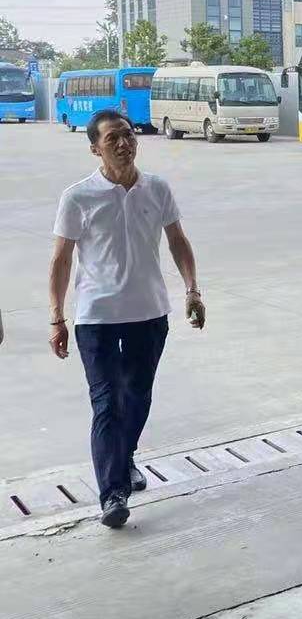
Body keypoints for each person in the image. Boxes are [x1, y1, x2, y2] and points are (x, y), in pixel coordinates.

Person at [47, 109, 205, 529]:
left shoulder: (157, 188)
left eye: (128, 134)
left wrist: (192, 290)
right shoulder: (78, 197)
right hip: (97, 317)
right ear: (95, 149)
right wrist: (56, 318)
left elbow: (177, 241)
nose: (124, 143)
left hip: (149, 314)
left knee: (138, 396)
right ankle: (113, 493)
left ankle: (125, 457)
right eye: (112, 138)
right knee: (107, 402)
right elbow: (61, 259)